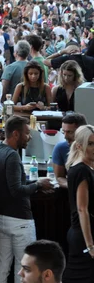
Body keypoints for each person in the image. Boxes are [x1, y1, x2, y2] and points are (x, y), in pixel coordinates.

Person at [0, 116, 54, 283]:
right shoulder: (12, 156)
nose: (30, 137)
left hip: (2, 219)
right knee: (26, 269)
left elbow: (13, 183)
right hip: (20, 221)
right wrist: (38, 184)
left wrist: (36, 183)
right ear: (15, 134)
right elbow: (17, 190)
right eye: (27, 133)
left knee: (2, 265)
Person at [62, 125, 94, 282]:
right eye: (90, 144)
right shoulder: (81, 170)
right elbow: (82, 209)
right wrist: (90, 245)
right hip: (83, 234)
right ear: (80, 145)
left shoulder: (87, 166)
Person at [52, 113, 87, 189]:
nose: (65, 136)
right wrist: (74, 187)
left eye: (70, 132)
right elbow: (59, 177)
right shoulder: (61, 148)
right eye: (63, 132)